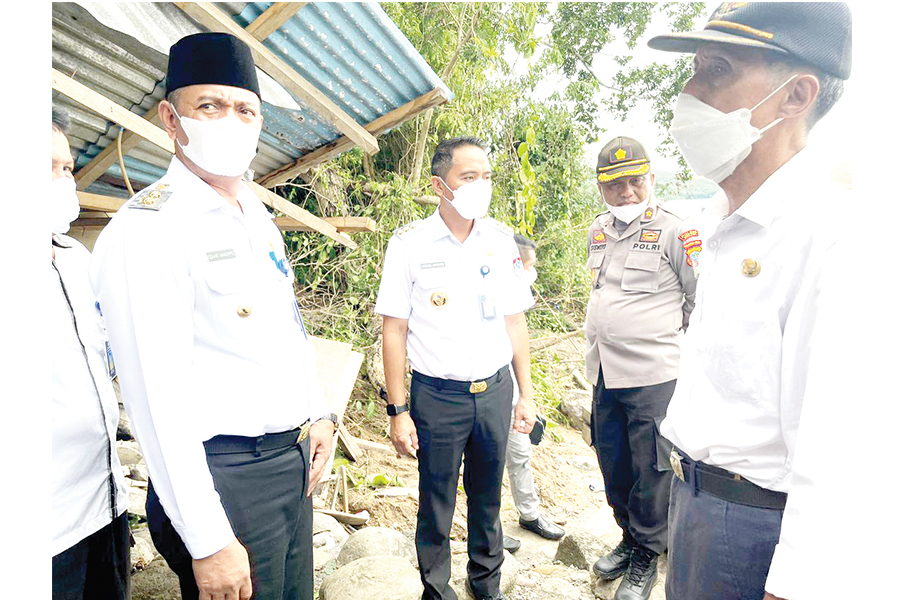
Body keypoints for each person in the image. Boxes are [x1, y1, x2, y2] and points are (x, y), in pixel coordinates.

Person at [89, 33, 336, 600]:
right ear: (171, 120)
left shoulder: (255, 214)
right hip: (225, 477)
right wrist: (207, 540)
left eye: (245, 109)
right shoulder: (149, 229)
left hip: (288, 463)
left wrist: (318, 411)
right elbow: (156, 400)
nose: (231, 119)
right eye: (210, 106)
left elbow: (286, 330)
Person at [646, 3, 852, 599]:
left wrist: (794, 583)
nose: (689, 93)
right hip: (696, 501)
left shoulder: (829, 235)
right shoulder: (722, 221)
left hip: (757, 527)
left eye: (716, 69)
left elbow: (836, 443)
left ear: (796, 96)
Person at [376, 136, 537, 600]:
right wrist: (397, 409)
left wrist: (525, 393)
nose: (481, 186)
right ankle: (436, 590)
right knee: (436, 501)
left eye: (486, 177)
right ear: (439, 185)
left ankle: (486, 586)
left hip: (494, 391)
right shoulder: (410, 244)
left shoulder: (501, 239)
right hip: (437, 396)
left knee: (488, 499)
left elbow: (514, 320)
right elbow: (394, 330)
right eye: (469, 177)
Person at [582, 136, 699, 600]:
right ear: (602, 188)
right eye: (615, 186)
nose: (626, 192)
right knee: (614, 463)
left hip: (654, 375)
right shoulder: (598, 229)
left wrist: (662, 336)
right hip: (604, 372)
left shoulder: (675, 230)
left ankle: (648, 556)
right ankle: (630, 538)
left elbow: (699, 299)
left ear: (650, 179)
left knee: (653, 470)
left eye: (635, 182)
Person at [51, 107, 131, 600]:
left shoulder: (77, 260)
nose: (63, 179)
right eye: (46, 166)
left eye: (66, 168)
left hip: (104, 504)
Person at [501, 235, 565, 553]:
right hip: (484, 389)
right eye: (531, 264)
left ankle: (529, 514)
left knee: (520, 453)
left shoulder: (518, 295)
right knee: (484, 461)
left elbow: (520, 349)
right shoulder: (491, 287)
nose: (533, 270)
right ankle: (486, 528)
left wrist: (526, 396)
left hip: (512, 388)